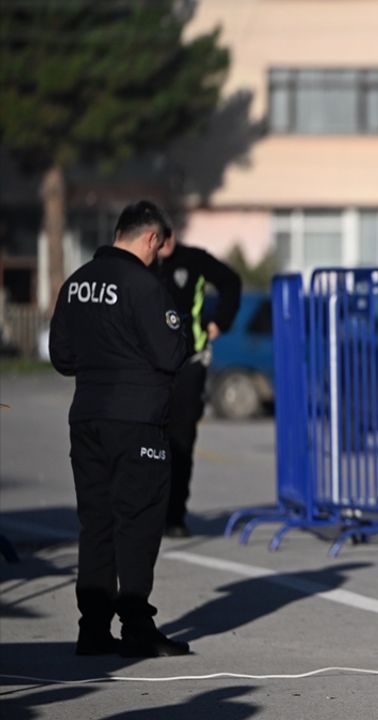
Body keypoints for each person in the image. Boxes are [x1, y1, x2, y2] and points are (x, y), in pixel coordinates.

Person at [48, 200, 193, 658]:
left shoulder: (75, 285)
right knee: (137, 524)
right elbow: (171, 354)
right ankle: (135, 626)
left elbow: (62, 358)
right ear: (151, 238)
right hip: (137, 425)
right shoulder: (143, 285)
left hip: (87, 418)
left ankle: (92, 628)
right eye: (158, 248)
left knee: (95, 525)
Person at [153, 228, 242, 537]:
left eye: (167, 234)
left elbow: (231, 282)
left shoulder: (193, 260)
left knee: (181, 441)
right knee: (146, 442)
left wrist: (220, 321)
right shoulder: (141, 264)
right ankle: (145, 512)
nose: (164, 243)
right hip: (149, 369)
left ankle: (174, 516)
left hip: (189, 363)